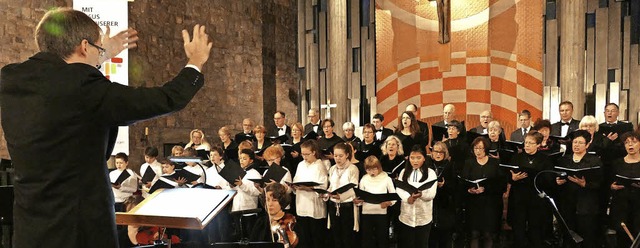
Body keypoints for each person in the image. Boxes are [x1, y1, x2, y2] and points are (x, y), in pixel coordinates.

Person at [0, 7, 212, 247]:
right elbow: (165, 98)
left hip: (31, 230)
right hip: (79, 231)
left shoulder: (12, 80)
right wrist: (195, 62)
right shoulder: (84, 86)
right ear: (84, 46)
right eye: (98, 47)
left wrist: (99, 53)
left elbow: (64, 74)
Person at [554, 130, 603, 248]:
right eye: (575, 142)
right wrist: (557, 181)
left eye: (580, 143)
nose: (576, 145)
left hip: (587, 204)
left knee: (587, 237)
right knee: (568, 236)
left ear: (587, 144)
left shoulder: (595, 161)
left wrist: (585, 184)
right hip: (568, 203)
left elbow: (600, 183)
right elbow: (555, 179)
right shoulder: (563, 160)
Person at [507, 132, 554, 248]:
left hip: (536, 198)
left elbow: (549, 179)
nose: (527, 145)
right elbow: (508, 175)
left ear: (538, 144)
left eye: (531, 143)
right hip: (519, 197)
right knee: (519, 228)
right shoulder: (517, 157)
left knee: (535, 229)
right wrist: (513, 178)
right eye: (526, 142)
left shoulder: (545, 159)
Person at [462, 137, 507, 248]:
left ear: (486, 149)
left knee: (488, 234)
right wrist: (469, 190)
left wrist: (486, 188)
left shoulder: (495, 163)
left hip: (490, 204)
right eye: (476, 148)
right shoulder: (469, 163)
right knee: (474, 234)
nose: (478, 151)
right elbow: (463, 182)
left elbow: (501, 185)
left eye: (481, 148)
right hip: (473, 203)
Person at [395, 145, 438, 248]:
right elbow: (399, 189)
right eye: (412, 157)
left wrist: (422, 195)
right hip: (406, 217)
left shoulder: (430, 173)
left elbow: (432, 194)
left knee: (422, 244)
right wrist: (408, 198)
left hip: (423, 218)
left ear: (424, 158)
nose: (415, 161)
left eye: (418, 157)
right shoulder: (404, 172)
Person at [291, 140, 329, 248]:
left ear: (314, 152)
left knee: (316, 238)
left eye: (307, 154)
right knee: (304, 238)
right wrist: (294, 186)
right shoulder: (300, 165)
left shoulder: (319, 165)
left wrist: (309, 188)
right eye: (302, 154)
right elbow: (296, 180)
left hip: (314, 206)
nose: (304, 157)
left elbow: (323, 186)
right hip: (301, 204)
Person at [354, 156, 396, 248]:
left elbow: (394, 197)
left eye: (374, 169)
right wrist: (358, 202)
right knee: (367, 239)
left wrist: (388, 203)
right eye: (368, 169)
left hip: (381, 213)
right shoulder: (364, 179)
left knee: (382, 239)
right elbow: (361, 196)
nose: (371, 172)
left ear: (379, 167)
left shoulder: (386, 179)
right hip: (367, 213)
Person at [324, 142, 360, 248]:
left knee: (347, 236)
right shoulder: (332, 168)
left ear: (347, 155)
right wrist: (326, 194)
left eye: (340, 156)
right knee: (336, 236)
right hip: (333, 205)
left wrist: (341, 196)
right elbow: (331, 186)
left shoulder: (353, 168)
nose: (337, 158)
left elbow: (354, 188)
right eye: (335, 156)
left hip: (347, 206)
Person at [609, 131, 640, 248]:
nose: (630, 145)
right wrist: (612, 187)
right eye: (627, 143)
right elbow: (609, 183)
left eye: (634, 142)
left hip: (638, 206)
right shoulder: (617, 163)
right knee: (622, 239)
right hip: (621, 206)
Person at [428, 142, 457, 248]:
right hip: (430, 204)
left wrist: (445, 185)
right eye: (436, 151)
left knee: (444, 239)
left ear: (445, 153)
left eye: (441, 152)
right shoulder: (428, 165)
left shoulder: (450, 165)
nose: (438, 154)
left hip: (445, 205)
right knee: (431, 239)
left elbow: (455, 186)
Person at [250, 183, 297, 248]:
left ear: (282, 201)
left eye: (274, 200)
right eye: (267, 200)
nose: (270, 204)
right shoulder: (260, 222)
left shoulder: (291, 222)